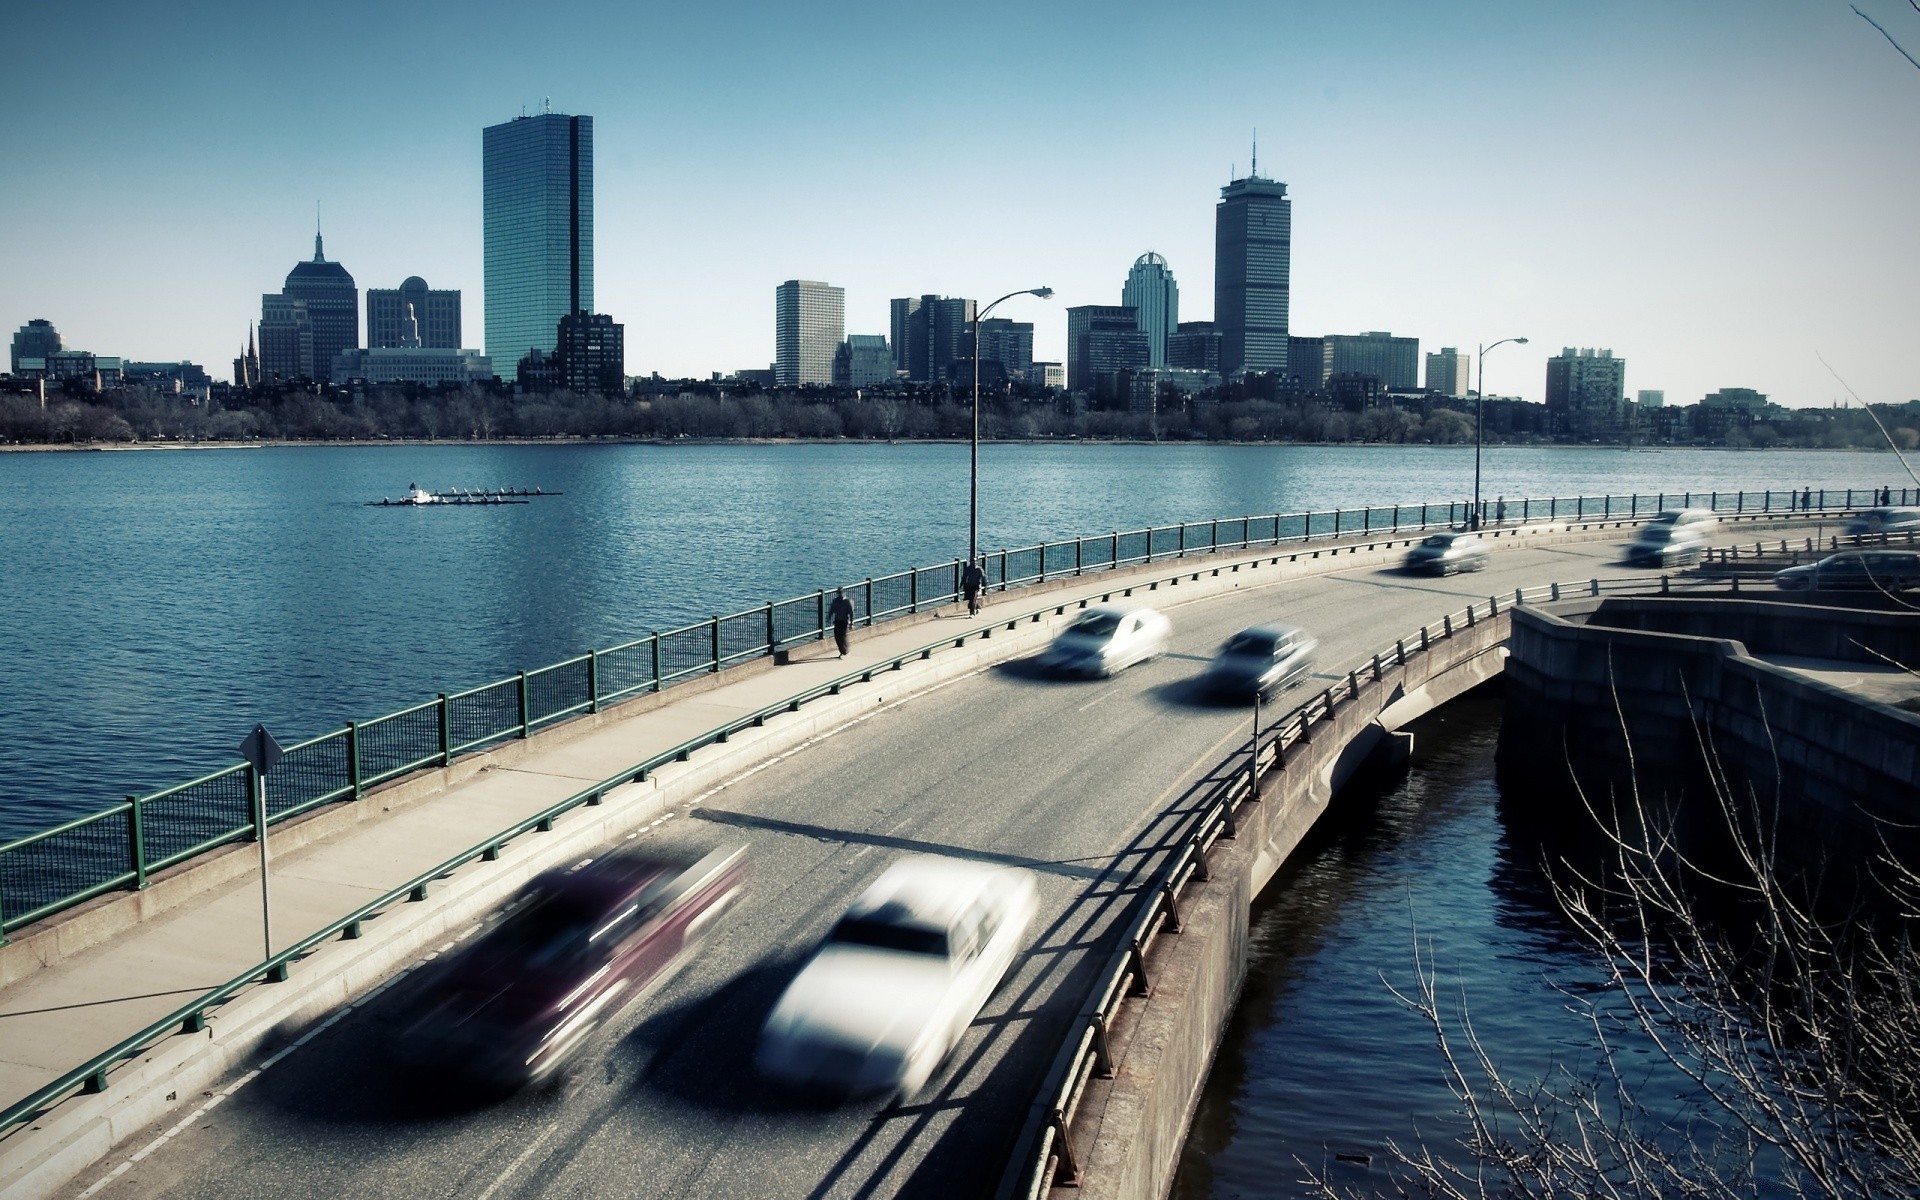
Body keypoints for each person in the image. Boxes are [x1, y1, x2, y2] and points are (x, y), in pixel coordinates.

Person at [828, 587, 854, 657]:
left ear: (843, 593)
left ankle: (844, 652)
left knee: (843, 636)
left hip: (844, 621)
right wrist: (828, 618)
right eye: (838, 593)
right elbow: (831, 610)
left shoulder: (848, 602)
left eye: (840, 593)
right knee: (837, 637)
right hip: (837, 621)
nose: (839, 594)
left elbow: (851, 613)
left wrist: (851, 623)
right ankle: (843, 650)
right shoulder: (835, 601)